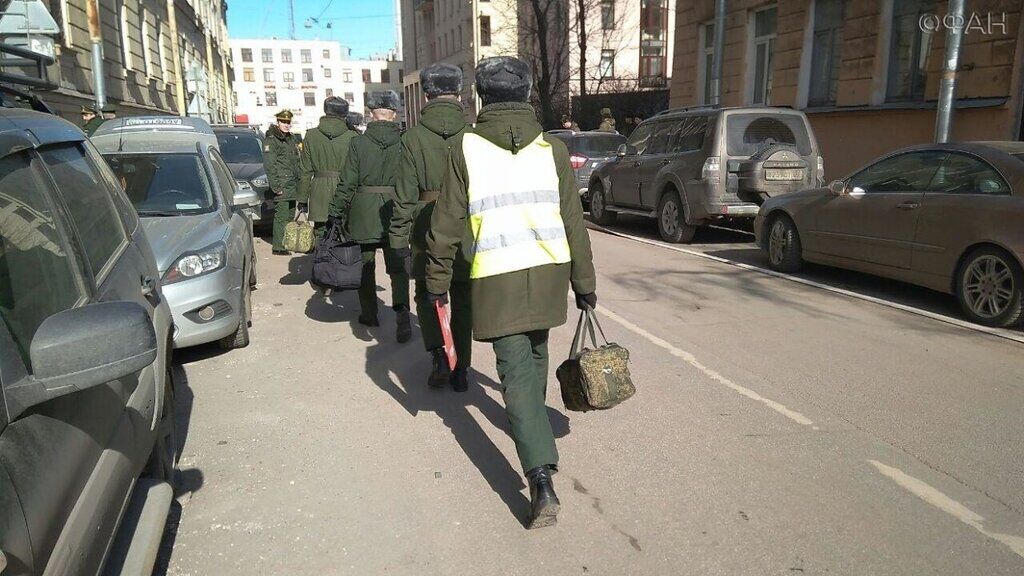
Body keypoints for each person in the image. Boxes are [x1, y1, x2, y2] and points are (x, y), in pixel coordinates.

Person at [425, 56, 597, 529]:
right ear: (526, 95)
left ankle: (540, 477)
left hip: (497, 278)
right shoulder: (553, 150)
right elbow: (573, 223)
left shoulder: (464, 149)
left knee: (517, 374)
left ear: (481, 97)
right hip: (547, 275)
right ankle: (536, 436)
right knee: (533, 359)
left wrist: (436, 282)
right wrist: (585, 284)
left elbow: (445, 224)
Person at [390, 63, 473, 392]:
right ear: (460, 92)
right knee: (463, 296)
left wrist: (398, 240)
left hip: (426, 223)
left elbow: (404, 197)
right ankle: (462, 367)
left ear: (426, 94)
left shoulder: (411, 138)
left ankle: (439, 354)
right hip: (467, 221)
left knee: (427, 293)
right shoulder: (474, 135)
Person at [327, 91, 411, 342]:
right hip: (395, 209)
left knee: (365, 265)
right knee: (397, 265)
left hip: (363, 212)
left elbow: (347, 182)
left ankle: (370, 313)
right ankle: (402, 313)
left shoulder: (358, 143)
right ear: (394, 114)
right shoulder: (405, 141)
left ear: (371, 114)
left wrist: (335, 211)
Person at [297, 97, 358, 239]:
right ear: (345, 113)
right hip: (345, 190)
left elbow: (305, 170)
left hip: (319, 191)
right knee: (345, 234)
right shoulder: (353, 136)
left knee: (320, 233)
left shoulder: (311, 135)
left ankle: (321, 260)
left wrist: (302, 199)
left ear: (325, 111)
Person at [263, 109, 302, 255]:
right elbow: (269, 165)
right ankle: (279, 247)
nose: (286, 125)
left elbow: (296, 161)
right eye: (283, 122)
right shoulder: (272, 140)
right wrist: (276, 186)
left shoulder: (291, 139)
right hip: (282, 185)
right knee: (281, 216)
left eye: (288, 122)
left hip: (292, 184)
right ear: (278, 122)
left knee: (290, 214)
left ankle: (287, 242)